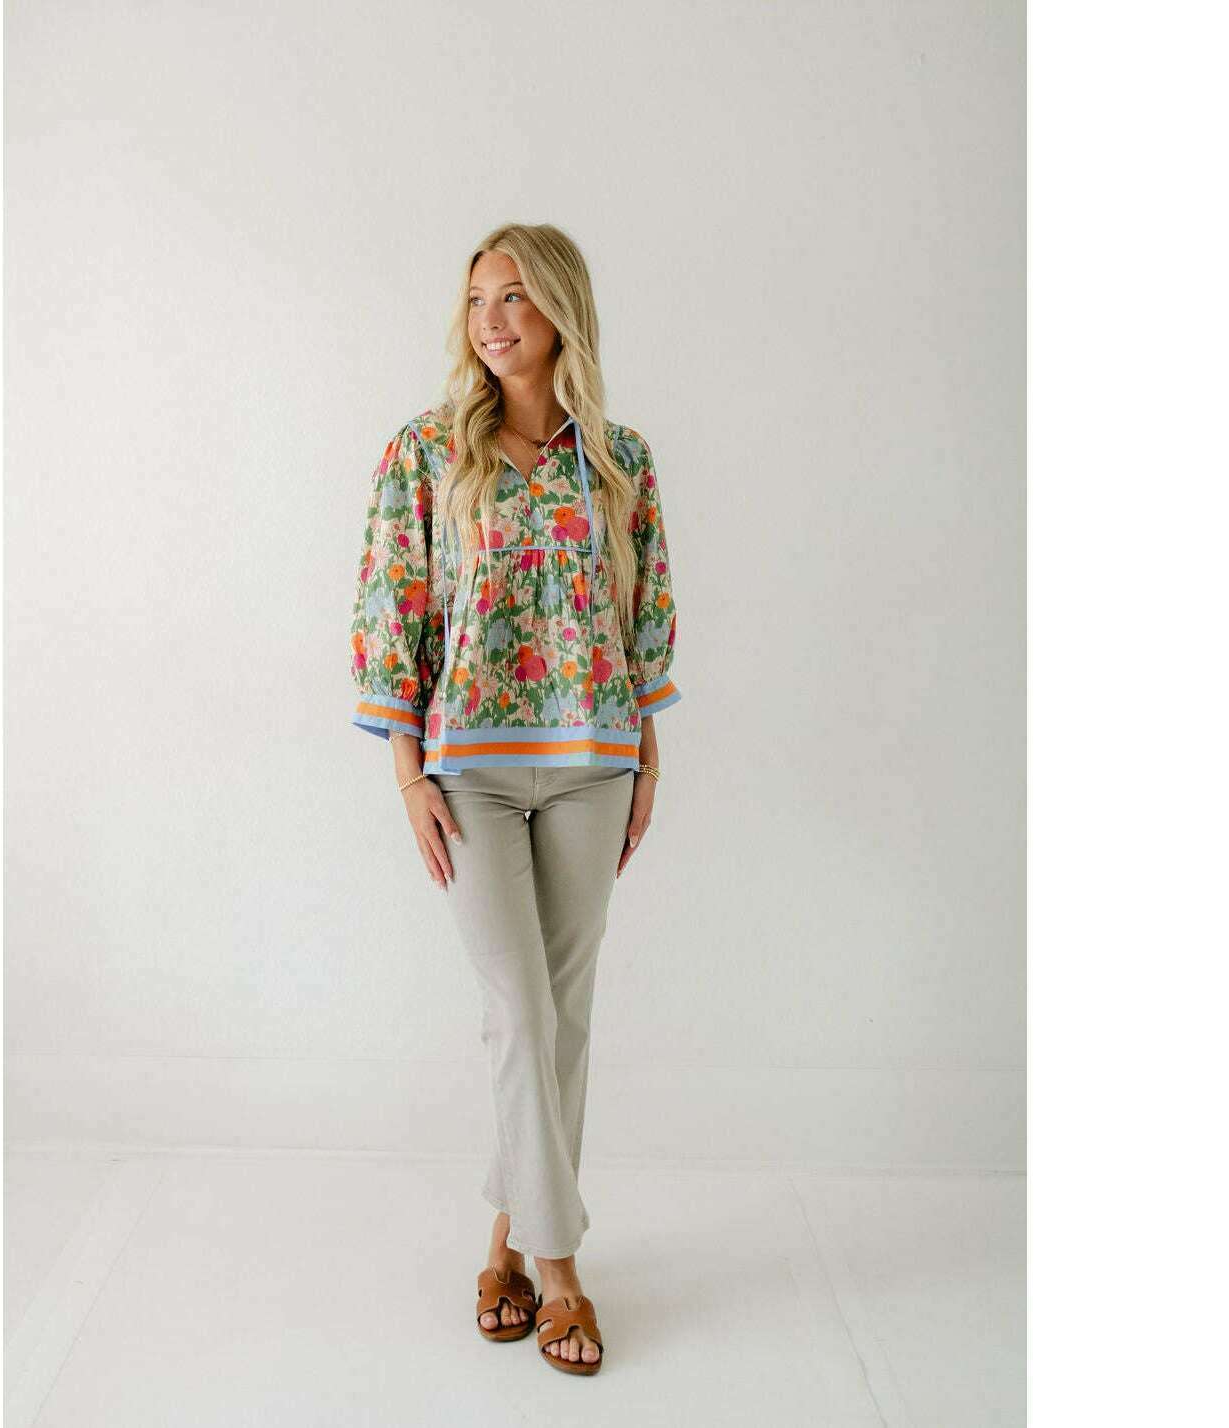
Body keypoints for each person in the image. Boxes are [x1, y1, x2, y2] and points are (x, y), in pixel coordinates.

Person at [347, 223, 682, 1377]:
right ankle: (562, 1272)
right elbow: (391, 608)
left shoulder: (622, 459)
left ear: (560, 313)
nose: (491, 320)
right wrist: (407, 771)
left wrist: (648, 758)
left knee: (562, 1017)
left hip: (596, 762)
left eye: (515, 298)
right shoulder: (426, 452)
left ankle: (503, 1249)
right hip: (469, 771)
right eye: (477, 299)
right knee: (520, 1014)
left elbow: (644, 613)